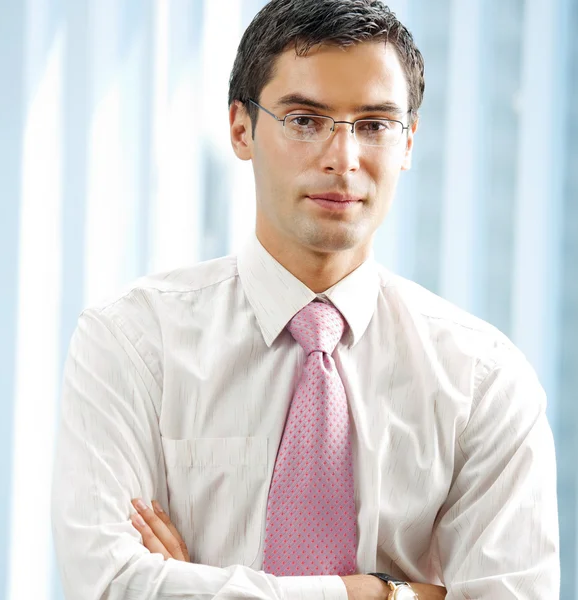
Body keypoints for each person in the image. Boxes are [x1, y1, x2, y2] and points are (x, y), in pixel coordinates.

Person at [50, 1, 560, 598]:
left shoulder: (484, 381)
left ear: (409, 143)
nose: (342, 158)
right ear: (241, 129)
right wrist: (378, 593)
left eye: (373, 125)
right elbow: (108, 584)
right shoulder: (133, 343)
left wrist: (194, 584)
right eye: (303, 119)